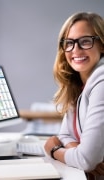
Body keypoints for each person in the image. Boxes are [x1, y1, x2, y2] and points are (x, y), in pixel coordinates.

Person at [44, 12, 104, 180]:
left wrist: (54, 151)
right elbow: (64, 135)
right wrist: (76, 150)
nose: (75, 50)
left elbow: (86, 160)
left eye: (85, 41)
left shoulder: (102, 79)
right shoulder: (78, 83)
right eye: (69, 43)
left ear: (102, 45)